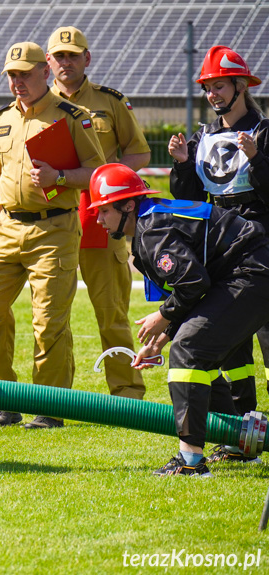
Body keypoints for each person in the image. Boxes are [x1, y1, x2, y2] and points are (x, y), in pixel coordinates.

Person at [90, 163, 269, 476]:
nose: (98, 218)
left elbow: (192, 284)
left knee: (189, 350)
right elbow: (197, 289)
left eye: (104, 210)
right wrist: (161, 338)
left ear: (128, 205)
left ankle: (191, 461)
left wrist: (162, 317)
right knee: (196, 350)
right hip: (250, 270)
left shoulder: (151, 230)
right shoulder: (152, 220)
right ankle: (236, 445)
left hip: (252, 273)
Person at [0, 42, 105, 429]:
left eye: (24, 74)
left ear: (44, 72)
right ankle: (2, 400)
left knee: (48, 322)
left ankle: (48, 408)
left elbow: (97, 173)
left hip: (55, 228)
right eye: (12, 75)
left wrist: (59, 178)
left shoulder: (72, 117)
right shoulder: (1, 120)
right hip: (6, 228)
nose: (17, 82)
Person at [168, 45, 269, 455]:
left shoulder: (264, 132)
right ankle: (239, 434)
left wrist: (258, 160)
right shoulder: (202, 136)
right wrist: (180, 164)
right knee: (231, 348)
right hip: (225, 248)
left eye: (220, 85)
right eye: (208, 87)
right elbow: (189, 199)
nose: (213, 94)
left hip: (262, 248)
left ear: (241, 86)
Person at [47, 26, 151, 400]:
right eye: (59, 55)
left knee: (111, 314)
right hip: (52, 222)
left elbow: (139, 154)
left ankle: (127, 394)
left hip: (101, 222)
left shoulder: (110, 102)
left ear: (87, 59)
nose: (66, 62)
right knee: (51, 318)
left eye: (73, 55)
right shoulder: (38, 106)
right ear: (48, 62)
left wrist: (109, 184)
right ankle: (53, 399)